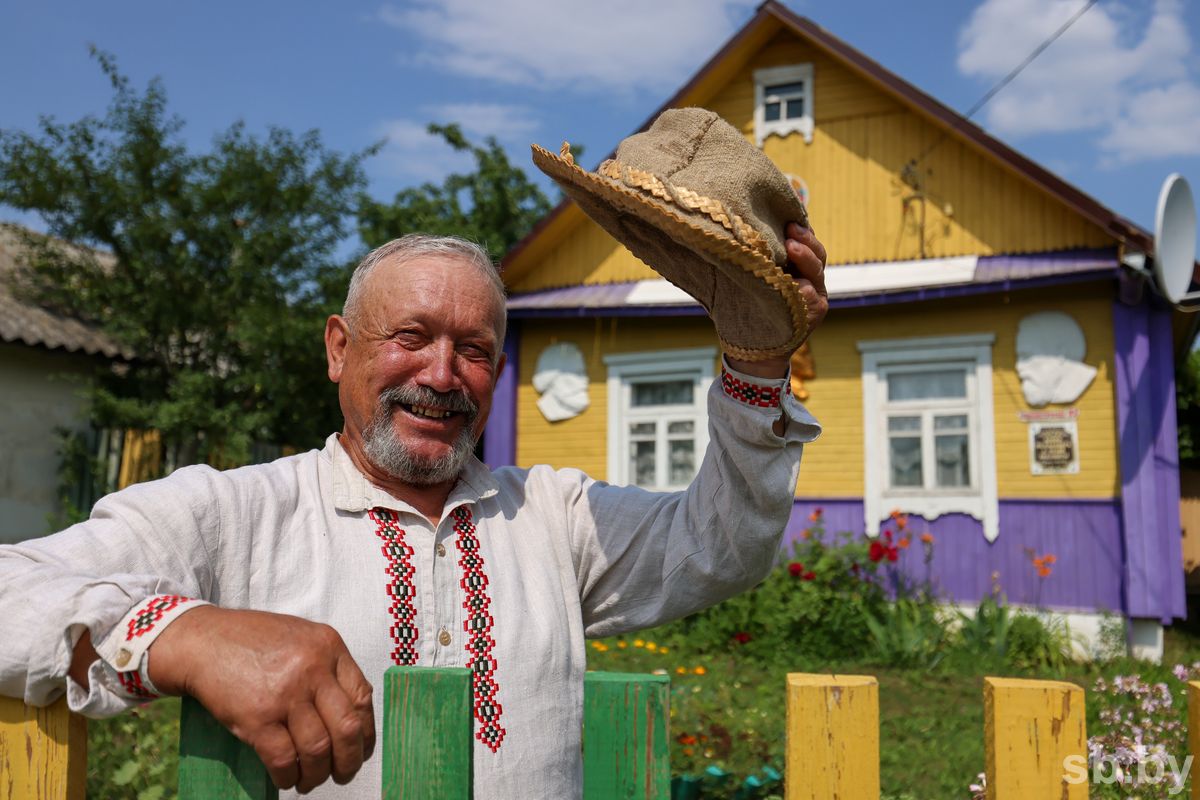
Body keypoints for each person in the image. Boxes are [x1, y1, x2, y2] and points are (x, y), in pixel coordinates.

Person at [0, 225, 826, 798]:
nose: (440, 373)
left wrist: (756, 364)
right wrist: (182, 636)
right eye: (410, 336)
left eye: (474, 350)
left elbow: (721, 547)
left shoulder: (553, 514)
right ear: (337, 348)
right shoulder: (240, 510)